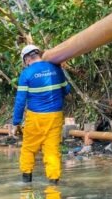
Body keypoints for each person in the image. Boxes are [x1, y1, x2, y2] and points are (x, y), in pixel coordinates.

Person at [13, 44, 71, 184]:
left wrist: (16, 122)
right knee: (52, 151)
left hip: (36, 118)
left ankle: (26, 185)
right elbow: (66, 90)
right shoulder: (56, 68)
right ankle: (53, 188)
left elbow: (21, 101)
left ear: (27, 59)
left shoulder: (26, 74)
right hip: (55, 116)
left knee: (28, 149)